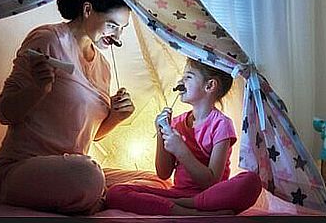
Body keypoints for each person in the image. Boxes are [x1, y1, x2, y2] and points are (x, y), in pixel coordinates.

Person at [0, 0, 137, 214]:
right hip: (19, 169)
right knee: (88, 175)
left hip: (67, 170)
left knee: (132, 178)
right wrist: (38, 89)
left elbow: (90, 134)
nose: (118, 37)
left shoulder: (104, 68)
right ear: (88, 10)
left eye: (123, 29)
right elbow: (3, 112)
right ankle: (92, 195)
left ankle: (93, 195)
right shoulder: (47, 39)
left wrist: (115, 118)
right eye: (112, 26)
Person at [105, 59, 262, 215]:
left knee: (251, 181)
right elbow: (163, 173)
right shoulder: (176, 123)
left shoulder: (221, 124)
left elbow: (210, 182)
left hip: (212, 196)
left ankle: (183, 206)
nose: (181, 81)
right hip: (178, 193)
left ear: (209, 86)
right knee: (115, 192)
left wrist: (181, 150)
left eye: (188, 76)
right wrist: (161, 133)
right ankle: (193, 212)